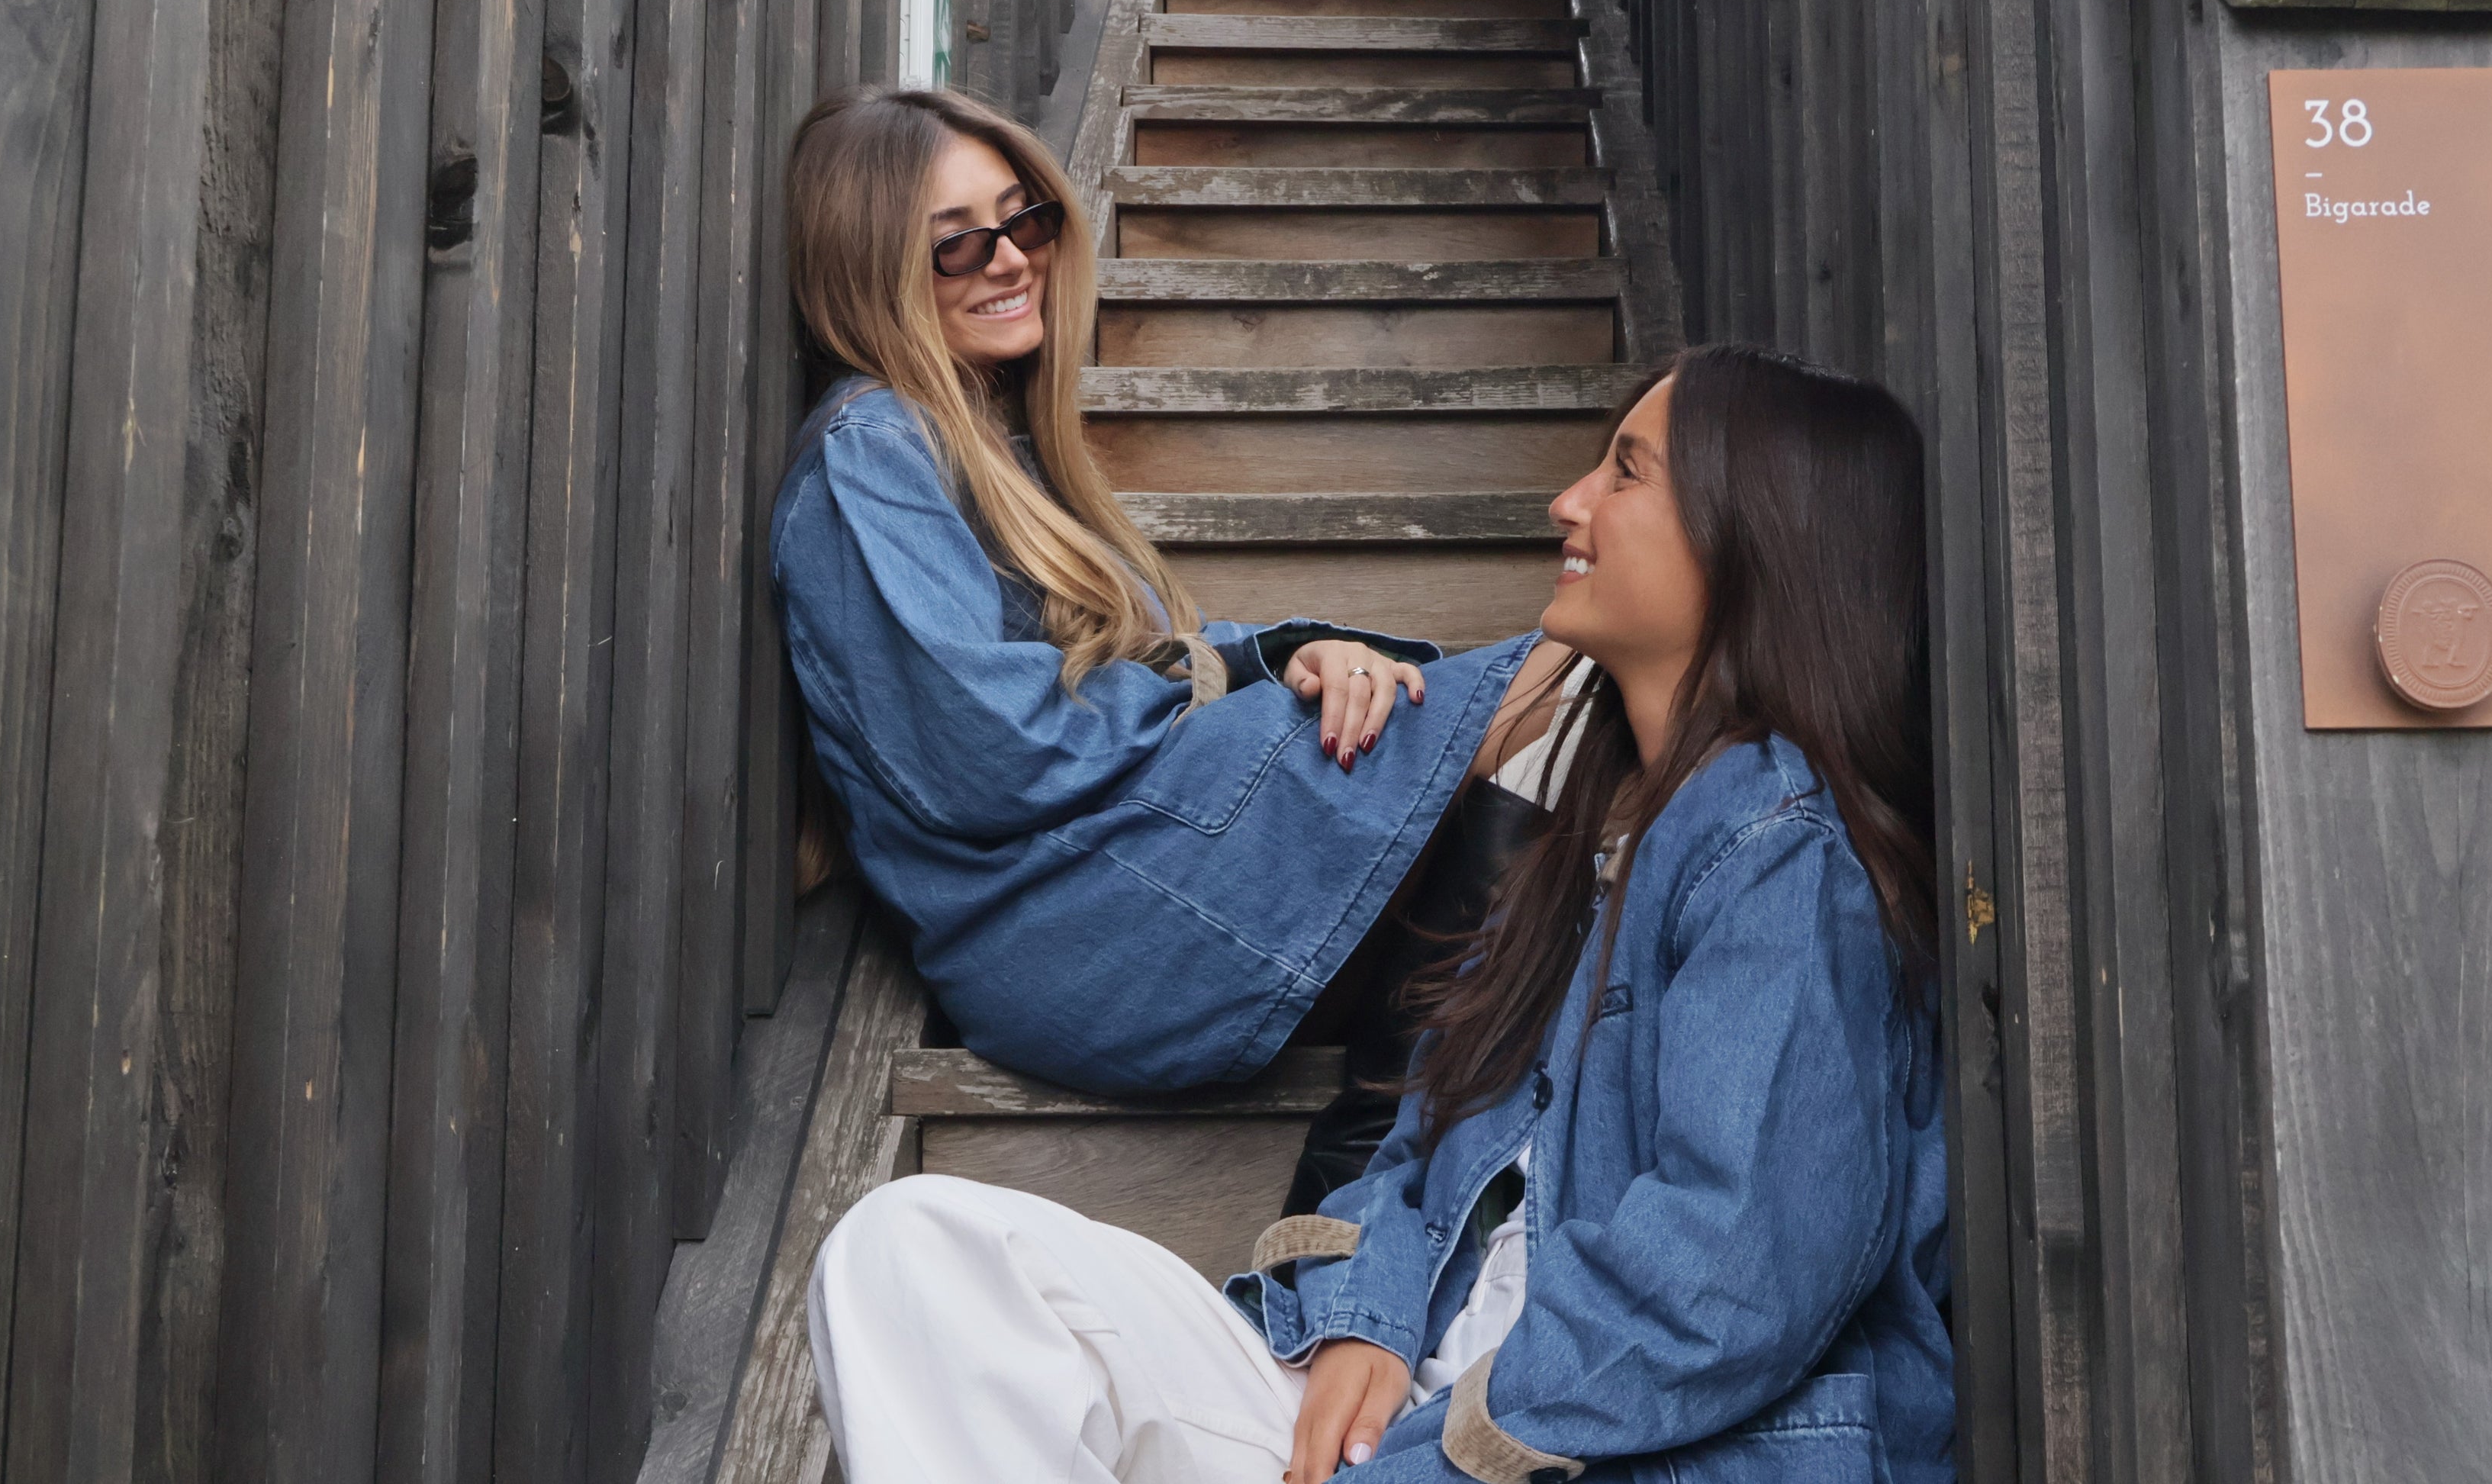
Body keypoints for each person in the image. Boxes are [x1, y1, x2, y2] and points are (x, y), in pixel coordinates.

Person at [807, 346, 1955, 1484]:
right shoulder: (1581, 837)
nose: (1568, 502)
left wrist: (1432, 1454)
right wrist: (1371, 1312)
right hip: (1412, 1402)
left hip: (1562, 1449)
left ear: (1752, 532)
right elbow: (1419, 1139)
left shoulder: (1782, 855)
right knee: (915, 1253)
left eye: (1626, 471)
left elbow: (1730, 1279)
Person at [771, 89, 1570, 1145]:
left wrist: (1288, 654)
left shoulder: (994, 440)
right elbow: (991, 747)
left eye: (1024, 220)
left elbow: (1148, 652)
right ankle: (1385, 1157)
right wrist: (1216, 687)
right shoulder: (871, 450)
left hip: (1127, 860)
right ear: (868, 272)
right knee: (1572, 682)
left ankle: (1376, 1155)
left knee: (1542, 738)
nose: (1010, 260)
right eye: (957, 244)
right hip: (1073, 914)